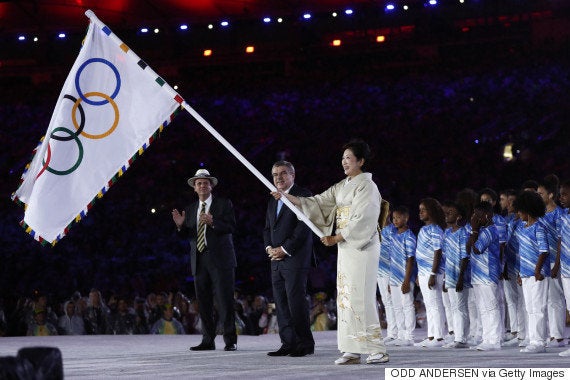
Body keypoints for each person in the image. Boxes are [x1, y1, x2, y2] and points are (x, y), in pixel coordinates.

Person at [273, 139, 388, 365]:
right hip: (346, 246)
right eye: (343, 158)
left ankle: (376, 348)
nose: (344, 162)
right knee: (345, 295)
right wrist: (289, 198)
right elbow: (318, 203)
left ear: (361, 161)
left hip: (362, 245)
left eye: (349, 158)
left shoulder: (368, 186)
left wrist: (336, 236)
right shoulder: (342, 185)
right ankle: (352, 348)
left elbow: (364, 217)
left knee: (362, 295)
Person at [172, 169, 238, 351]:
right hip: (199, 260)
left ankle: (230, 341)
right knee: (204, 302)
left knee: (225, 301)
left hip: (221, 260)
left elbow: (232, 227)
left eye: (205, 182)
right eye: (198, 183)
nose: (202, 185)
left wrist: (213, 222)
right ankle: (208, 340)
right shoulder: (191, 208)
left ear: (211, 186)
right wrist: (180, 227)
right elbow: (190, 235)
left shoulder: (224, 204)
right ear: (194, 188)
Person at [263, 160, 315, 357]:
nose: (279, 178)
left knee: (296, 302)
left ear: (292, 175)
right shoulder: (272, 199)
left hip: (295, 258)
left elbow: (304, 227)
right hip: (275, 260)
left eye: (283, 173)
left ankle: (304, 343)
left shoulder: (303, 195)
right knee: (281, 302)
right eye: (275, 174)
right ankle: (288, 343)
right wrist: (270, 248)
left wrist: (285, 248)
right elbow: (267, 228)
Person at [513, 190, 550, 354]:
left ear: (527, 209)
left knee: (538, 308)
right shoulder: (521, 227)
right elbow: (522, 251)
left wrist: (537, 269)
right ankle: (533, 338)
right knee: (530, 308)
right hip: (526, 273)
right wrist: (520, 273)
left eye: (519, 210)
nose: (517, 213)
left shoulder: (539, 227)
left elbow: (544, 250)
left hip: (538, 274)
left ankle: (539, 341)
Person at [466, 201, 502, 351]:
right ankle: (487, 339)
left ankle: (494, 341)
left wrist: (474, 230)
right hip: (478, 275)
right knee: (483, 308)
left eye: (478, 216)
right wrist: (474, 231)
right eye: (474, 215)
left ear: (487, 215)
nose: (475, 218)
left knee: (491, 307)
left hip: (488, 274)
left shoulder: (490, 230)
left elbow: (477, 249)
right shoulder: (480, 230)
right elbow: (468, 248)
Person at [537, 174, 566, 348]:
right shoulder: (540, 215)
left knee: (556, 298)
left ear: (550, 195)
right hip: (544, 262)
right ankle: (552, 334)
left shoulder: (559, 214)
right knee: (547, 299)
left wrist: (557, 263)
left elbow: (561, 241)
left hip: (556, 262)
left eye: (541, 194)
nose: (538, 197)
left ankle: (559, 337)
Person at [414, 197, 447, 348]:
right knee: (429, 304)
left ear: (431, 211)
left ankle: (439, 337)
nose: (420, 212)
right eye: (419, 210)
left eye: (424, 210)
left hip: (432, 273)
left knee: (435, 304)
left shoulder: (435, 229)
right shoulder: (424, 229)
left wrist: (433, 274)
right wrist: (419, 274)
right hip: (423, 272)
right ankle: (431, 335)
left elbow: (438, 251)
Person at [441, 201, 471, 349]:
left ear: (459, 216)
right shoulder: (447, 233)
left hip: (460, 276)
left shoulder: (463, 232)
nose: (447, 214)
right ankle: (457, 337)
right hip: (450, 276)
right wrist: (446, 278)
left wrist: (460, 278)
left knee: (460, 307)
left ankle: (462, 338)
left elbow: (465, 257)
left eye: (451, 212)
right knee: (454, 307)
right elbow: (446, 257)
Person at [387, 206, 417, 347]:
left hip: (404, 278)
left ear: (406, 218)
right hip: (393, 277)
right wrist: (390, 280)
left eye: (398, 218)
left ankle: (409, 336)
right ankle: (400, 334)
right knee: (397, 307)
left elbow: (411, 260)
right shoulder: (394, 235)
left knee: (407, 306)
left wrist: (406, 280)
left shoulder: (409, 236)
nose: (395, 220)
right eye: (393, 218)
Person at [553, 179, 570, 356]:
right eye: (560, 195)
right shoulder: (563, 215)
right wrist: (557, 264)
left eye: (565, 194)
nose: (561, 198)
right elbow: (559, 241)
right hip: (566, 268)